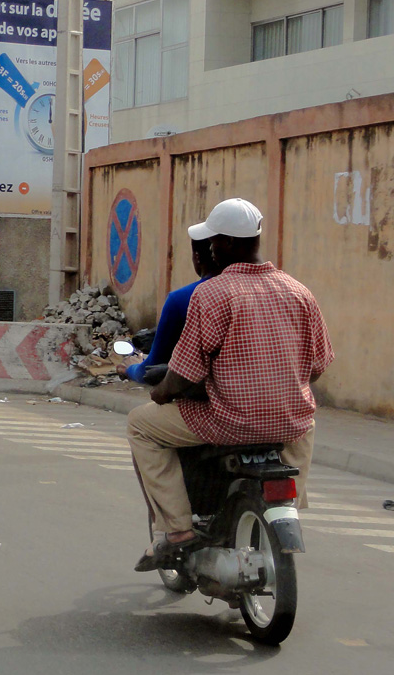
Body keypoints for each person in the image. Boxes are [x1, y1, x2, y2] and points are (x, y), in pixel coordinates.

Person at [127, 198, 334, 571]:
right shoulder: (299, 291)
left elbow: (185, 373)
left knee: (140, 425)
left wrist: (161, 393)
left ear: (224, 244)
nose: (210, 249)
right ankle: (289, 505)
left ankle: (177, 531)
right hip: (289, 424)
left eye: (213, 242)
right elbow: (316, 368)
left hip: (229, 423)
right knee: (308, 421)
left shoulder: (211, 294)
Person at [120, 239, 220, 384]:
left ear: (197, 257)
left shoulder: (184, 298)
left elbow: (150, 370)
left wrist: (129, 368)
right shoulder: (262, 289)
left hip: (212, 400)